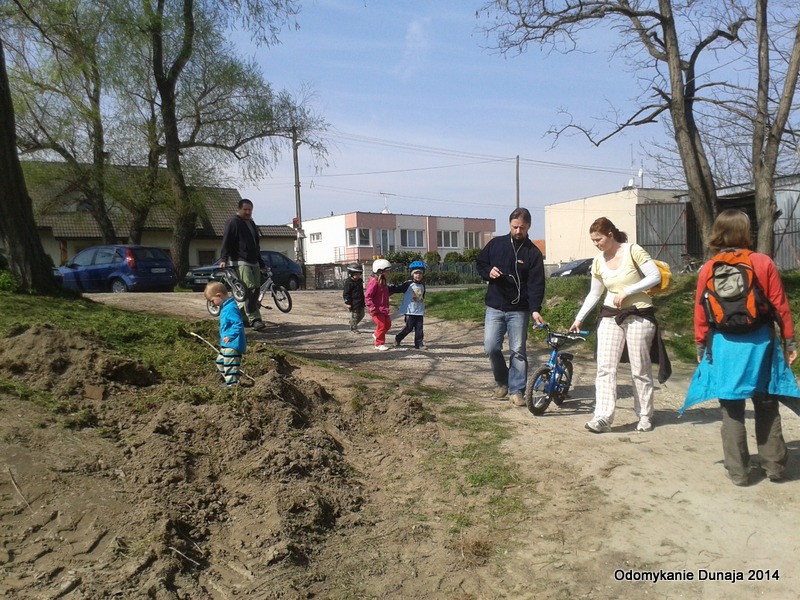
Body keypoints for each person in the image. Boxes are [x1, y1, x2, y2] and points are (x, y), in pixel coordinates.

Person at [682, 209, 799, 486]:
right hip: (760, 344)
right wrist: (790, 341)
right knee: (766, 404)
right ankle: (774, 466)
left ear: (718, 233)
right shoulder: (762, 262)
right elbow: (780, 305)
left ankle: (738, 472)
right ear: (745, 232)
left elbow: (701, 312)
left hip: (724, 346)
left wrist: (700, 346)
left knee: (731, 409)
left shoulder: (709, 268)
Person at [569, 217, 670, 433]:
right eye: (593, 240)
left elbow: (654, 276)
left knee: (639, 368)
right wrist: (579, 318)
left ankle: (645, 415)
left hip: (639, 313)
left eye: (598, 239)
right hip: (610, 315)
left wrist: (628, 291)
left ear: (610, 235)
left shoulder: (633, 250)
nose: (596, 244)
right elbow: (594, 293)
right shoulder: (598, 261)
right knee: (605, 367)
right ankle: (602, 417)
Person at [476, 208, 546, 406]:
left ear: (528, 226)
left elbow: (536, 284)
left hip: (519, 310)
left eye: (522, 228)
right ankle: (502, 382)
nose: (518, 231)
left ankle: (517, 391)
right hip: (495, 306)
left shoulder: (533, 253)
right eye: (515, 227)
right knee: (491, 347)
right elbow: (480, 263)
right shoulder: (496, 244)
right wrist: (488, 272)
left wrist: (535, 309)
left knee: (518, 351)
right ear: (509, 224)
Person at [219, 198, 267, 332]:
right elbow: (226, 241)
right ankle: (255, 319)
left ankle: (242, 317)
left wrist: (261, 263)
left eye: (250, 210)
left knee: (256, 289)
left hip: (254, 261)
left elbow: (256, 246)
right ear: (239, 209)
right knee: (249, 289)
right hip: (241, 261)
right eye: (245, 210)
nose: (247, 212)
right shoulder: (233, 222)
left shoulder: (251, 223)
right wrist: (224, 259)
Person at [204, 281, 246, 387]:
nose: (212, 304)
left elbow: (238, 324)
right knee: (220, 362)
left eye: (212, 301)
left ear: (219, 295)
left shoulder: (231, 308)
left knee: (229, 365)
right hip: (226, 344)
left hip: (233, 344)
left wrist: (231, 336)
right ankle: (230, 381)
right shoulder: (226, 307)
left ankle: (232, 386)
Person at [394, 260, 427, 350]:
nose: (418, 275)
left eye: (420, 273)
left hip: (419, 311)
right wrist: (388, 289)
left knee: (419, 328)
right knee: (409, 328)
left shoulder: (422, 285)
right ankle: (398, 338)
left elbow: (421, 297)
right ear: (412, 274)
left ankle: (419, 344)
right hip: (410, 311)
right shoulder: (408, 284)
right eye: (416, 273)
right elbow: (398, 289)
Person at [343, 263, 365, 333]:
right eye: (356, 274)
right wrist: (347, 303)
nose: (357, 276)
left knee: (362, 314)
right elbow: (346, 293)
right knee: (355, 315)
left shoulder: (360, 281)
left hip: (360, 301)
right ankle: (353, 328)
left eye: (359, 274)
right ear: (351, 273)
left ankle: (352, 323)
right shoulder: (349, 282)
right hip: (353, 302)